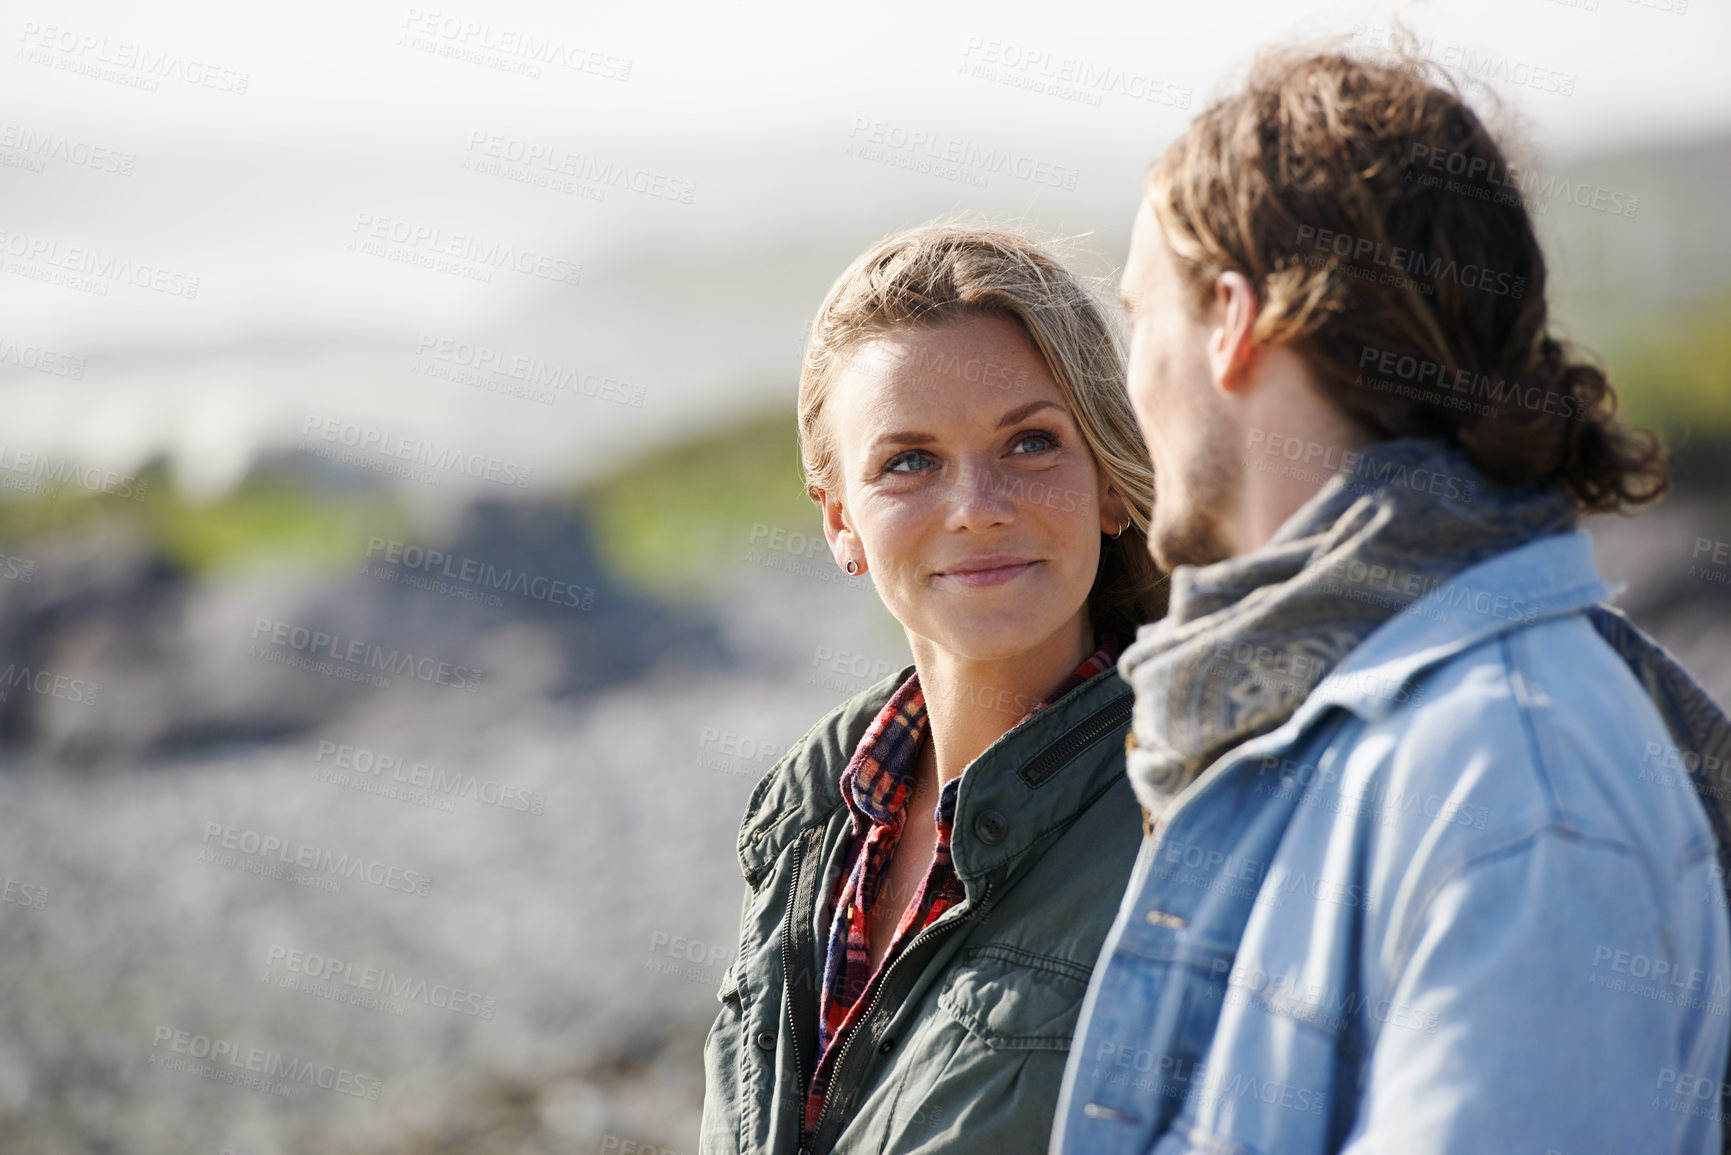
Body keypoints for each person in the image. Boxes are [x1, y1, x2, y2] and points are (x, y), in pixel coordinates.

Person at [1053, 44, 1731, 1155]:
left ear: (1230, 321)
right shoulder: (1352, 728)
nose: (1129, 391)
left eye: (1141, 320)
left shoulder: (1512, 781)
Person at [698, 223, 1167, 1153]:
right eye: (908, 461)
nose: (976, 506)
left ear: (1109, 482)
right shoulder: (806, 819)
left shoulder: (1184, 819)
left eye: (1030, 443)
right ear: (841, 519)